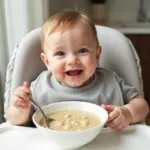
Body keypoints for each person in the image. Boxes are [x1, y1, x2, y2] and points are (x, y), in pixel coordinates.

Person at [7, 10, 149, 130]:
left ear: (97, 55)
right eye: (60, 53)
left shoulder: (110, 81)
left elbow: (142, 106)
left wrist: (128, 113)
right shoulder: (40, 87)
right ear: (47, 62)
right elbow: (14, 122)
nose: (72, 60)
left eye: (82, 50)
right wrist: (20, 109)